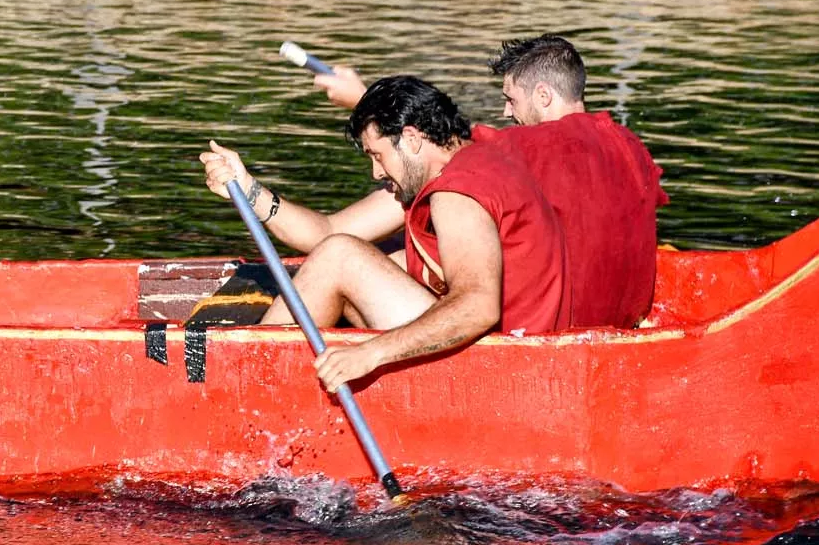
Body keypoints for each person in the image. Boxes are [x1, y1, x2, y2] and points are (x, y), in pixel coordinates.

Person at [202, 76, 569, 392]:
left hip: (503, 368)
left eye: (377, 155)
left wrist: (370, 354)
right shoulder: (454, 165)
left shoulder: (457, 192)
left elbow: (478, 305)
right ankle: (267, 376)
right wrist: (248, 189)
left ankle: (246, 387)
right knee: (350, 253)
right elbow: (328, 229)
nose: (376, 172)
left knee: (340, 257)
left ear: (411, 139)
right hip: (505, 354)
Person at [315, 35, 667, 327]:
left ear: (543, 96)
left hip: (547, 337)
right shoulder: (631, 146)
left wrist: (367, 103)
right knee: (402, 245)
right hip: (617, 319)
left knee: (345, 257)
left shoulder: (527, 147)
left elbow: (444, 145)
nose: (505, 112)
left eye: (510, 99)